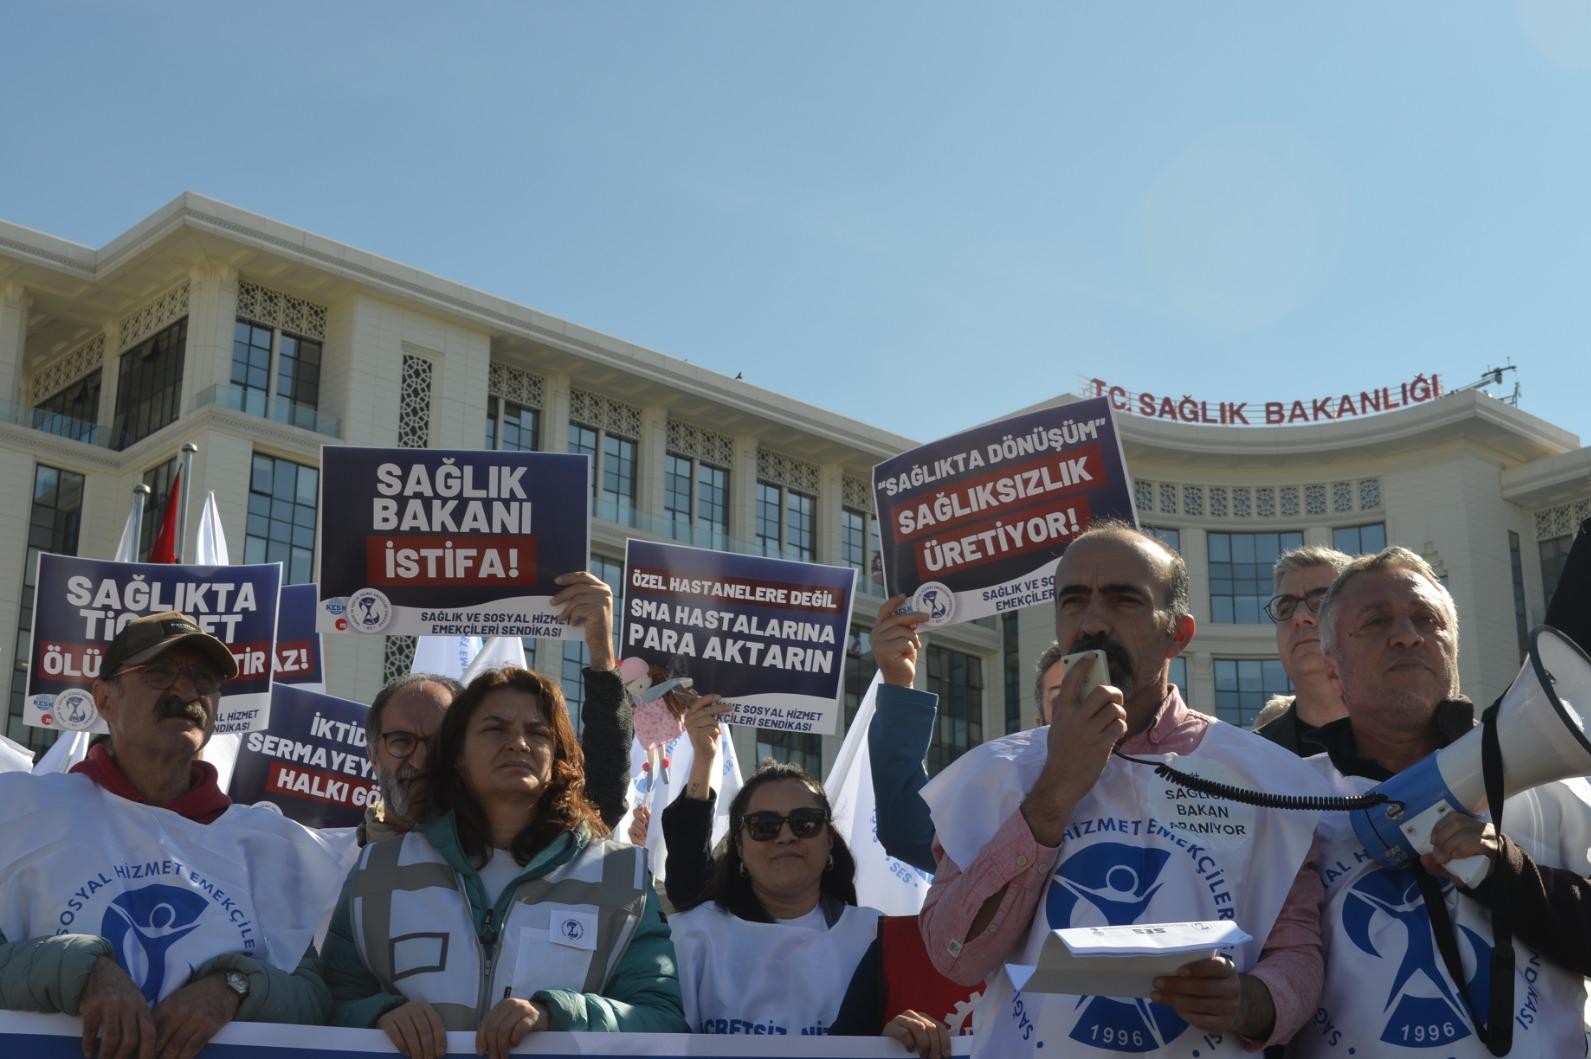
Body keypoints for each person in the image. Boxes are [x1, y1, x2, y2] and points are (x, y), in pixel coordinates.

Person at [918, 521, 1327, 1056]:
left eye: (1123, 601)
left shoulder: (1270, 778)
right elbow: (955, 957)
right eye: (1073, 602)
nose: (1092, 622)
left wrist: (1249, 1000)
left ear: (1177, 634)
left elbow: (1298, 952)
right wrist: (1055, 790)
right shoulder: (994, 774)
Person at [0, 611, 345, 1059]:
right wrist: (79, 970)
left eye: (204, 679)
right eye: (159, 673)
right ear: (104, 699)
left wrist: (233, 987)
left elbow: (313, 1000)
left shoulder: (267, 843)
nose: (186, 691)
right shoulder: (21, 809)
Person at [1294, 546, 1591, 1057]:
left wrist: (1509, 875)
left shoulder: (1556, 790)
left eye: (1426, 619)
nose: (1407, 634)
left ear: (1452, 647)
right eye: (1376, 621)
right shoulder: (1287, 797)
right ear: (1333, 670)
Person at [324, 666, 685, 1059]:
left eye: (538, 732)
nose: (518, 743)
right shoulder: (377, 871)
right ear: (457, 755)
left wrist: (560, 1015)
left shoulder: (622, 877)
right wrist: (378, 1015)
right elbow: (328, 1002)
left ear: (559, 754)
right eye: (495, 729)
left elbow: (661, 1019)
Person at [666, 761, 950, 1057]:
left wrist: (895, 1040)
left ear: (829, 839)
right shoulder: (690, 934)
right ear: (739, 844)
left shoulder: (881, 937)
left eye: (806, 822)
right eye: (764, 826)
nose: (786, 836)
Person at [358, 570, 632, 846]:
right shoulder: (330, 859)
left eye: (437, 742)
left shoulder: (522, 851)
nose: (419, 761)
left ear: (461, 752)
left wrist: (601, 652)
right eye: (401, 742)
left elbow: (600, 793)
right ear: (372, 754)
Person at [868, 600, 1068, 874]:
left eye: (1088, 687)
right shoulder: (1004, 788)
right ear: (1038, 723)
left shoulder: (1146, 774)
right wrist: (898, 682)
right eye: (1059, 696)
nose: (1076, 705)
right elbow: (910, 831)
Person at [1253, 546, 1351, 754]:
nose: (1298, 616)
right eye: (1285, 609)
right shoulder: (1245, 760)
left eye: (1320, 603)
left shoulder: (1423, 745)